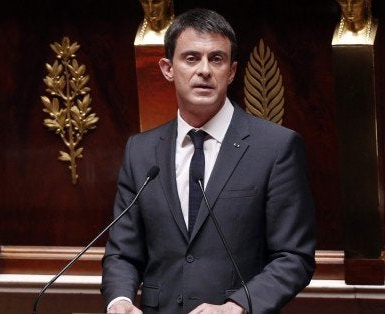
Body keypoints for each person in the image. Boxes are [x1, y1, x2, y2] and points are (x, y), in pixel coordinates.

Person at [102, 8, 316, 314]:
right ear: (167, 68)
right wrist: (119, 300)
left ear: (231, 72)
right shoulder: (141, 151)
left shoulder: (276, 148)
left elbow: (294, 256)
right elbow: (123, 253)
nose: (204, 70)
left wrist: (237, 306)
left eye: (216, 59)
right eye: (191, 58)